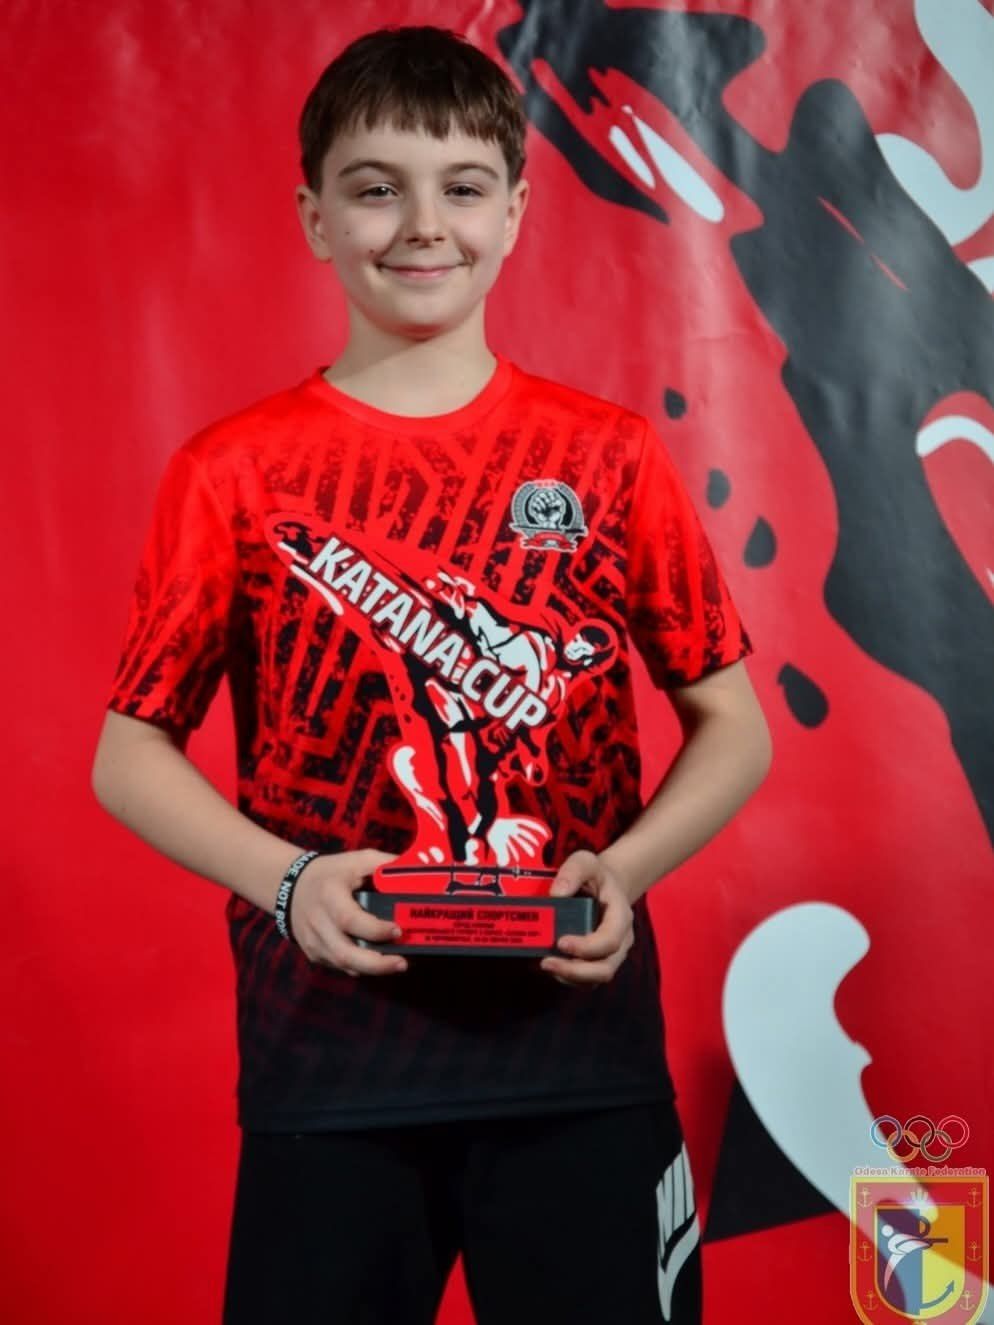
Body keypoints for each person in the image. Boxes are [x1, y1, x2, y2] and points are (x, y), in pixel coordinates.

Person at [91, 23, 772, 1325]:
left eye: (462, 186)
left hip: (579, 1063)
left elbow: (731, 724)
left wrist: (622, 872)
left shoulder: (606, 457)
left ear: (514, 212)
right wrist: (286, 881)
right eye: (375, 187)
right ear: (314, 216)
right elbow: (127, 755)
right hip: (331, 1068)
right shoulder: (233, 472)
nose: (422, 224)